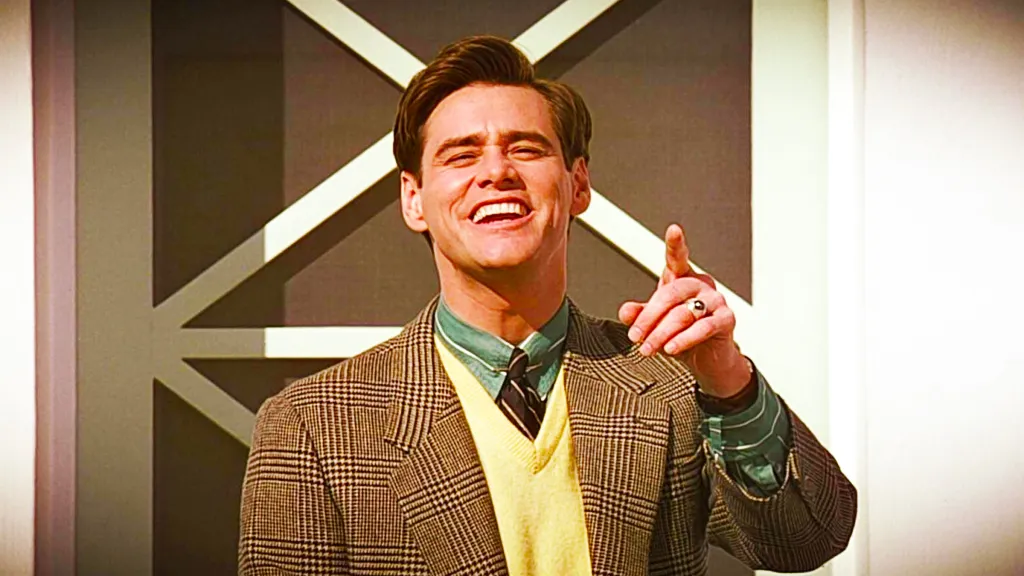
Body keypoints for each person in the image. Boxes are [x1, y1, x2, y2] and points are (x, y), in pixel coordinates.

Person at [238, 35, 855, 575]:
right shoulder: (310, 427)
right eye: (461, 154)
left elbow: (807, 541)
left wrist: (727, 381)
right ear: (414, 199)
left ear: (578, 184)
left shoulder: (670, 384)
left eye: (526, 148)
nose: (496, 171)